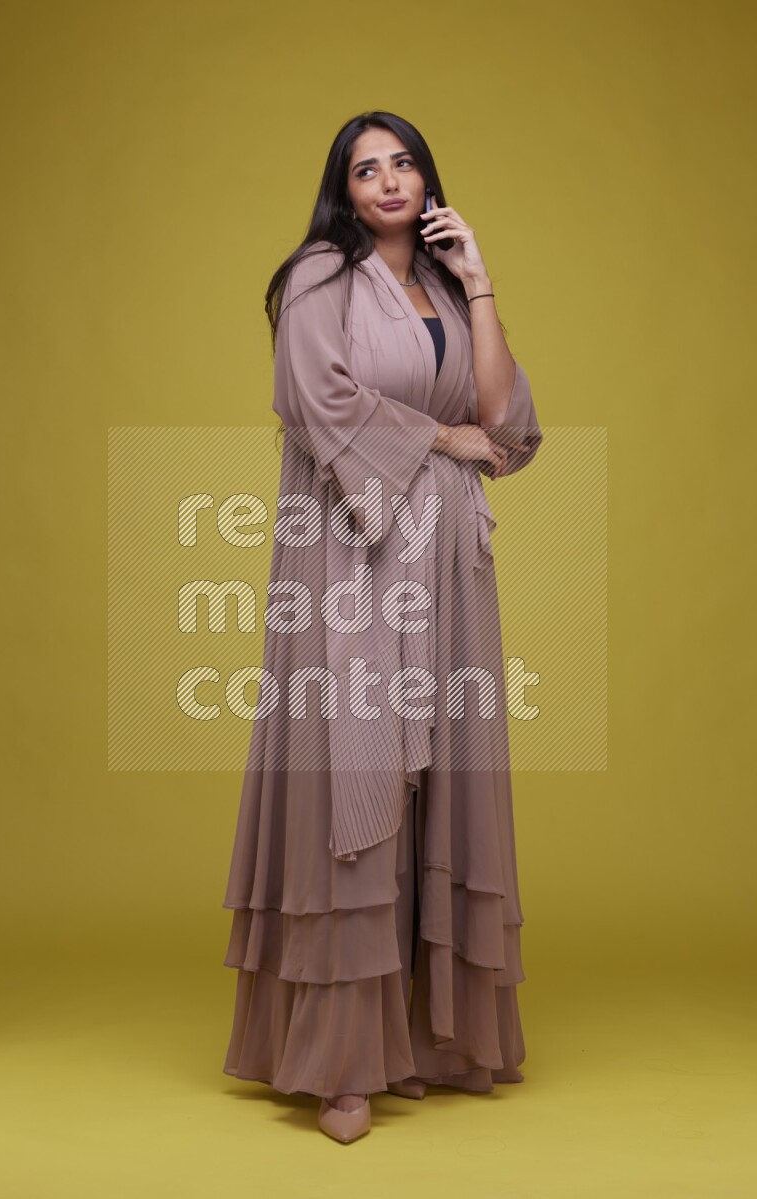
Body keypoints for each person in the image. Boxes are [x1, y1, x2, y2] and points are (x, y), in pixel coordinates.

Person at [221, 110, 543, 1143]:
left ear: (426, 179)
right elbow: (313, 399)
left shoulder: (444, 286)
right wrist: (441, 435)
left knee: (441, 775)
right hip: (350, 546)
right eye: (366, 169)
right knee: (353, 772)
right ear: (344, 189)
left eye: (403, 163)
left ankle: (419, 1038)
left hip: (447, 557)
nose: (389, 180)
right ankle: (340, 1064)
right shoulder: (321, 275)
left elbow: (505, 427)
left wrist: (479, 281)